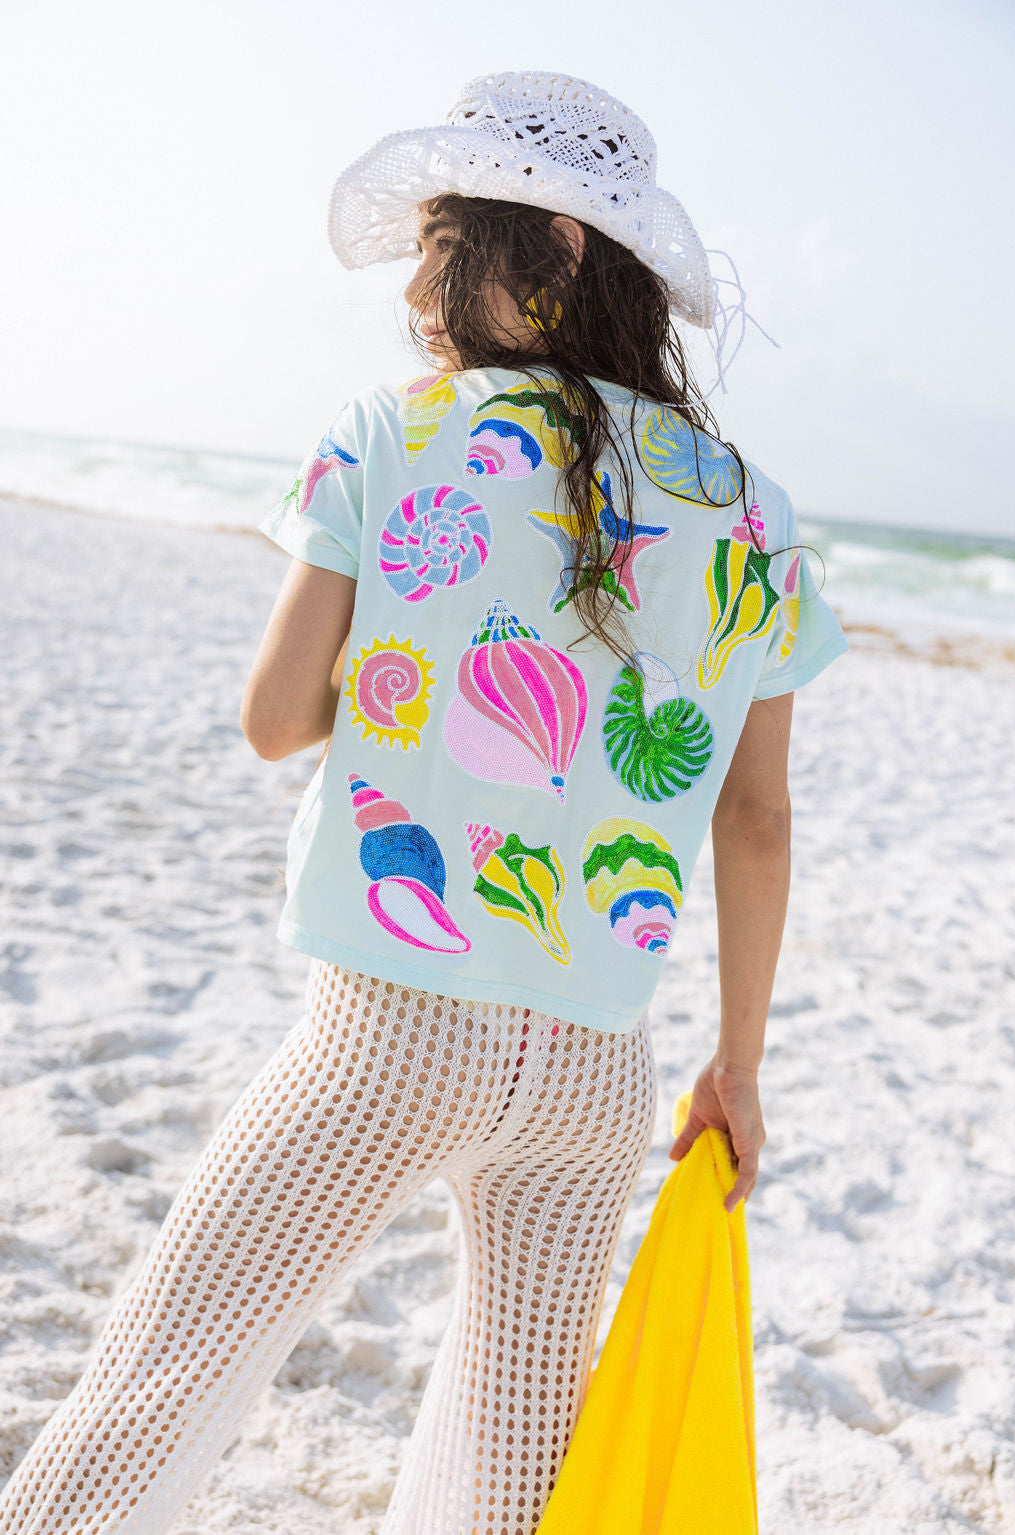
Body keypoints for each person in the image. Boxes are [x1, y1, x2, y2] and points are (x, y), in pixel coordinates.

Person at [0, 70, 849, 1535]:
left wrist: (421, 672)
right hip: (594, 1065)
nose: (418, 277)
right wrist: (742, 1067)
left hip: (388, 1037)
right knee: (510, 1489)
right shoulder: (755, 513)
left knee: (166, 1376)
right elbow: (756, 814)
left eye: (443, 235)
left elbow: (274, 722)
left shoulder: (398, 431)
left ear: (556, 250)